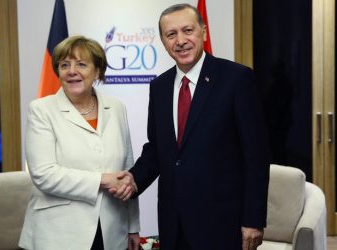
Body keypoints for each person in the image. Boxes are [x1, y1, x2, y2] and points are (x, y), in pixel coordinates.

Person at [113, 4, 270, 250]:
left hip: (223, 223)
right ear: (163, 41)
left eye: (188, 30)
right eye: (171, 34)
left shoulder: (237, 79)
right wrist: (133, 180)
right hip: (173, 222)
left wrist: (253, 219)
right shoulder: (160, 87)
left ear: (203, 32)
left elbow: (256, 157)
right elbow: (157, 149)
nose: (181, 40)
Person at [19, 35, 140, 250]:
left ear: (97, 71)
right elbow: (43, 174)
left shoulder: (117, 107)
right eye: (65, 65)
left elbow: (127, 170)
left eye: (81, 64)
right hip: (59, 233)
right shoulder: (41, 110)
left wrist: (132, 226)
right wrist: (102, 180)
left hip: (112, 230)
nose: (71, 71)